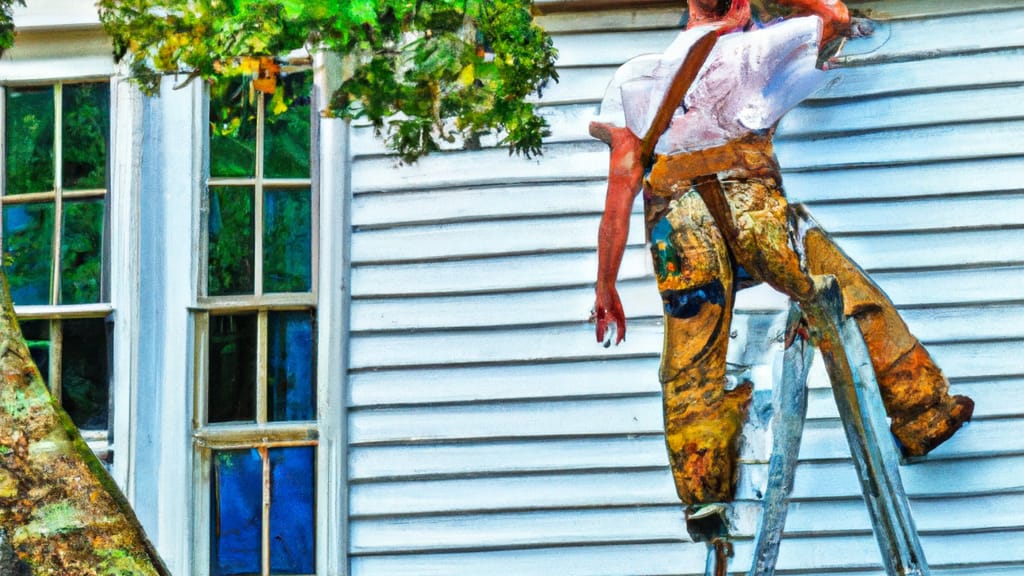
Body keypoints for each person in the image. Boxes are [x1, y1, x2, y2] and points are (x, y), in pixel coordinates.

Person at [590, 0, 973, 509]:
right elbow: (835, 16)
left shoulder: (637, 76)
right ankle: (924, 412)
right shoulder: (758, 48)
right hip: (754, 215)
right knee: (839, 291)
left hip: (679, 227)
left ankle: (704, 494)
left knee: (690, 358)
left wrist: (605, 285)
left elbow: (623, 178)